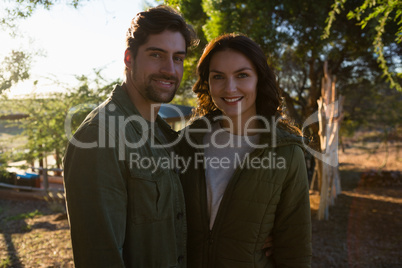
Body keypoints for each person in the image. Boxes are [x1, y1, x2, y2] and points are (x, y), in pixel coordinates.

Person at [63, 5, 197, 267]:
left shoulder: (163, 133)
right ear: (128, 58)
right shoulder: (99, 138)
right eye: (157, 55)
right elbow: (100, 258)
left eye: (178, 58)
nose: (170, 70)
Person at [177, 33, 312, 267]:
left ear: (259, 78)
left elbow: (295, 247)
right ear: (207, 83)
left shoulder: (287, 152)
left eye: (242, 75)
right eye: (218, 76)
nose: (230, 88)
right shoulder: (185, 143)